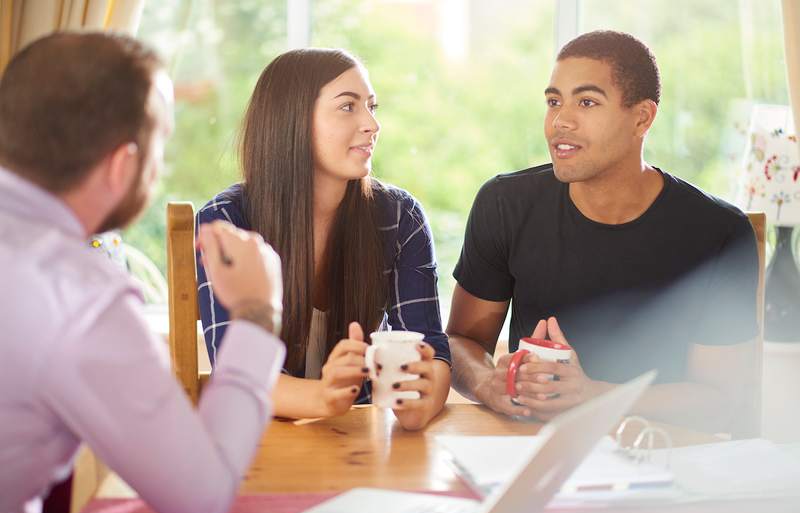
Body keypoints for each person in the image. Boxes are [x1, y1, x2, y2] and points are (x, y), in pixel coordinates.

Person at [0, 32, 285, 513]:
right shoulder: (79, 297)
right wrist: (258, 314)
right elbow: (202, 498)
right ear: (123, 164)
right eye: (161, 148)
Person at [447, 30, 758, 432]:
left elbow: (722, 400)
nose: (560, 120)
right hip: (533, 452)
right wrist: (489, 382)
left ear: (642, 118)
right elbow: (459, 342)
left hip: (659, 456)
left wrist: (591, 394)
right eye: (554, 101)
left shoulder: (720, 232)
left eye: (587, 102)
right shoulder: (504, 203)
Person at [196, 48, 451, 430]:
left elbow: (432, 349)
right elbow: (239, 371)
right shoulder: (227, 222)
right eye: (348, 107)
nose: (372, 124)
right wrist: (323, 396)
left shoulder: (401, 217)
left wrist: (424, 399)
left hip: (359, 440)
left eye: (372, 106)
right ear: (292, 122)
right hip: (261, 443)